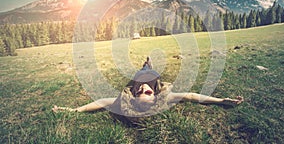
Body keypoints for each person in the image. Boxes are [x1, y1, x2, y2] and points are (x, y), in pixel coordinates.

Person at [52, 57, 243, 121]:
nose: (143, 89)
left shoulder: (127, 99)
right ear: (155, 95)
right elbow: (191, 95)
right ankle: (148, 64)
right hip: (153, 76)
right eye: (148, 92)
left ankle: (145, 63)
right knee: (149, 71)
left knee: (141, 71)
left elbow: (101, 102)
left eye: (140, 92)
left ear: (134, 96)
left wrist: (71, 110)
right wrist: (221, 101)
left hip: (137, 75)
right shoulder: (164, 97)